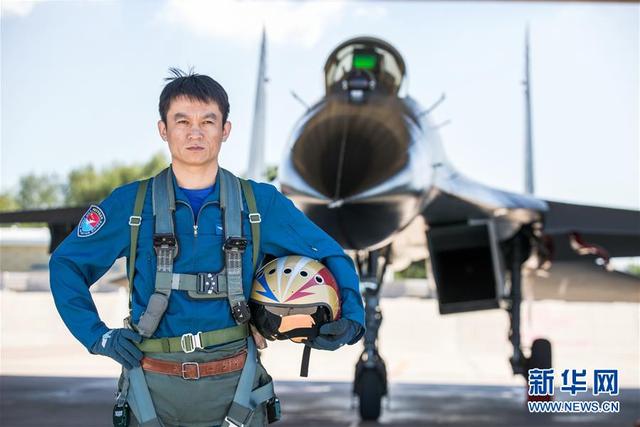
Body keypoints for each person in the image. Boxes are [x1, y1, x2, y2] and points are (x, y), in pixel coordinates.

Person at [49, 68, 365, 427]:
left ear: (225, 130)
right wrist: (97, 336)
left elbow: (329, 254)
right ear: (163, 129)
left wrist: (352, 319)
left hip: (235, 393)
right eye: (182, 121)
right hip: (152, 393)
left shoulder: (260, 204)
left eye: (208, 121)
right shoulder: (130, 206)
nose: (195, 132)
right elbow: (66, 264)